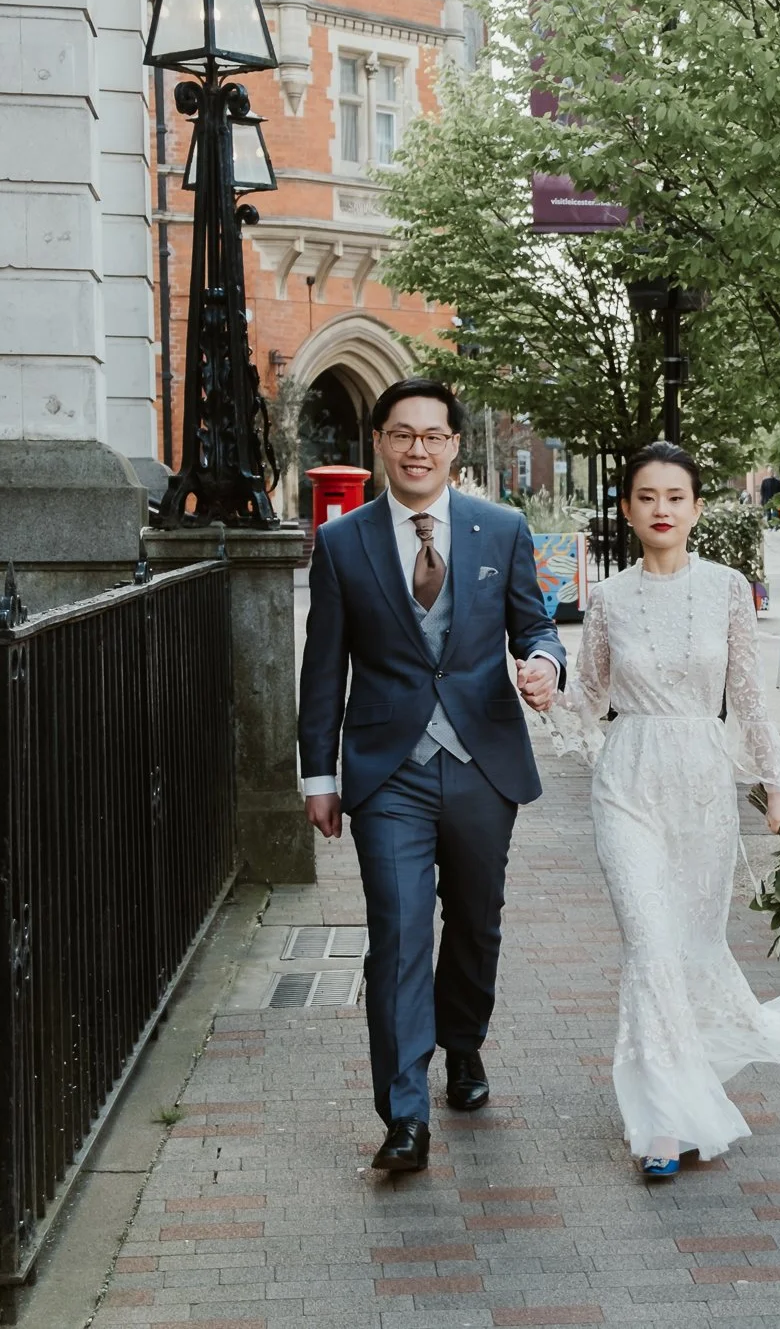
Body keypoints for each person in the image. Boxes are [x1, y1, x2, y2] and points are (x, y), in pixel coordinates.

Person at [297, 376, 566, 1174]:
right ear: (378, 442)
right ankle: (404, 1114)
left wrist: (545, 664)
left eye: (433, 435)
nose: (418, 448)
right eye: (402, 433)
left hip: (484, 761)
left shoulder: (501, 527)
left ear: (453, 446)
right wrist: (319, 773)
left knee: (476, 924)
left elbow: (537, 623)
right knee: (400, 934)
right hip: (387, 774)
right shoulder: (344, 543)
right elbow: (323, 668)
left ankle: (464, 1044)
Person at [555, 441, 780, 1180]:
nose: (661, 509)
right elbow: (591, 700)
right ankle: (664, 1122)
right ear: (627, 509)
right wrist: (544, 693)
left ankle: (683, 1078)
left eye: (675, 496)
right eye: (646, 496)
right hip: (628, 782)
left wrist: (776, 786)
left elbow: (747, 696)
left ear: (697, 507)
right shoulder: (607, 598)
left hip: (702, 786)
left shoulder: (729, 588)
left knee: (691, 947)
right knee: (649, 945)